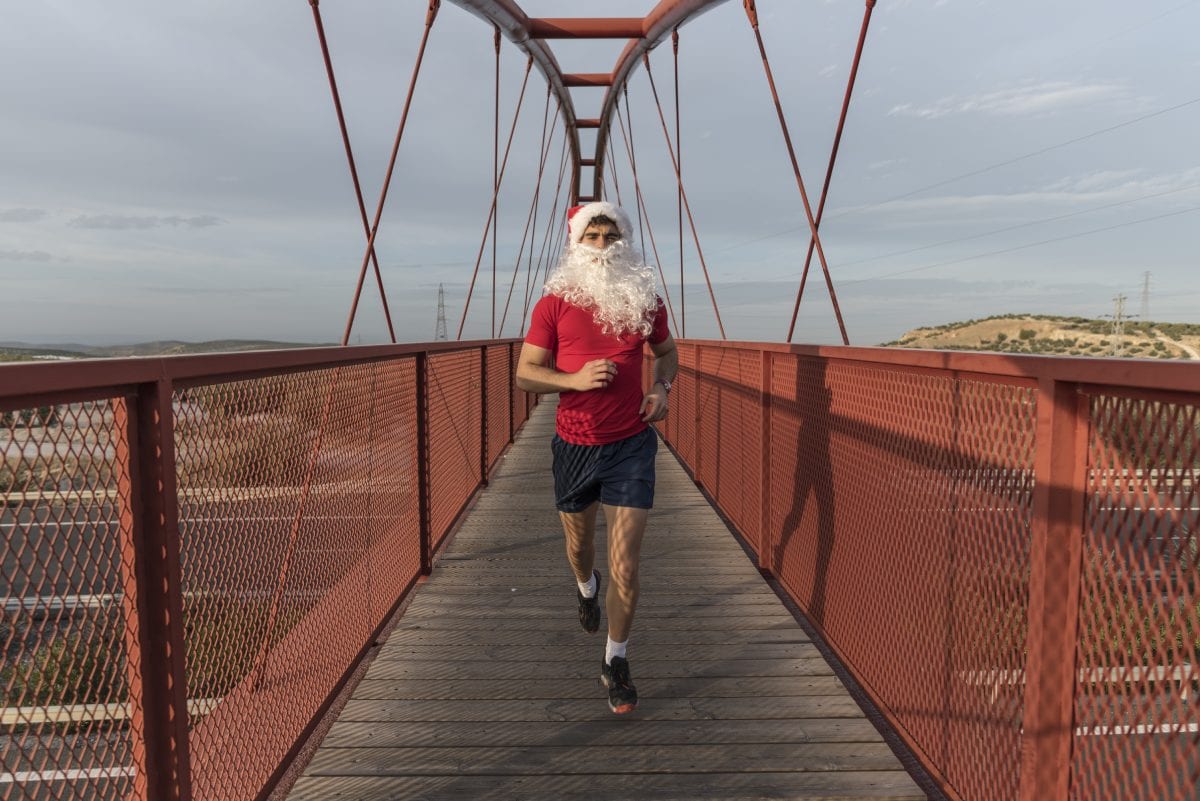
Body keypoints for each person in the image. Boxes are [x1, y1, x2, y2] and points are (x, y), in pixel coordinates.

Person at [516, 200, 678, 714]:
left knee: (626, 563)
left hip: (631, 445)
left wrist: (662, 388)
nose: (603, 246)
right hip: (575, 445)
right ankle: (586, 588)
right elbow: (524, 373)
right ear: (575, 243)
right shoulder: (554, 304)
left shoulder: (644, 301)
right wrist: (573, 380)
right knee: (581, 548)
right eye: (593, 236)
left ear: (624, 242)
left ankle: (616, 659)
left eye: (612, 236)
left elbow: (668, 353)